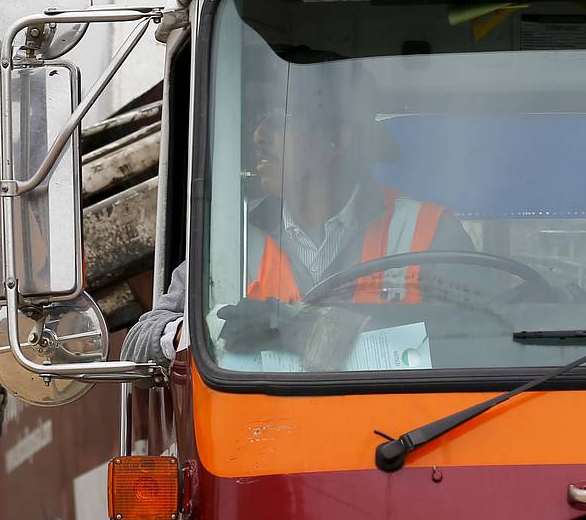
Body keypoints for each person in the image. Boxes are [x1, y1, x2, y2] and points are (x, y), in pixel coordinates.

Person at [122, 58, 476, 368]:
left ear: (336, 140)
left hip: (403, 439)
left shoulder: (427, 233)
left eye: (280, 119)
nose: (259, 136)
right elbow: (138, 343)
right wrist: (197, 332)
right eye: (260, 119)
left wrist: (300, 327)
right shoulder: (232, 240)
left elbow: (477, 339)